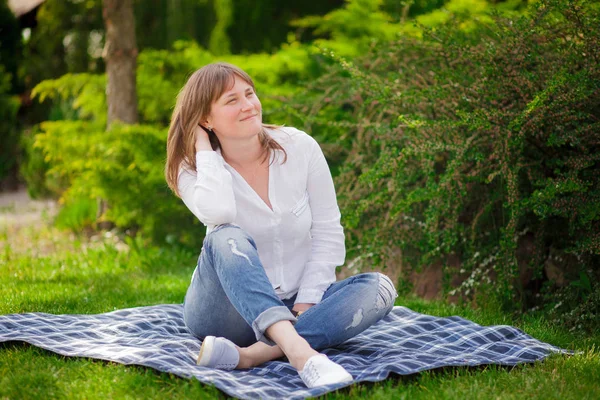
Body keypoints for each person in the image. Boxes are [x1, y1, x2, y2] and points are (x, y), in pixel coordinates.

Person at [165, 62, 397, 388]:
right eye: (232, 100)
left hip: (296, 305)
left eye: (249, 93)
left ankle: (253, 355)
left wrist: (306, 303)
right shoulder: (190, 168)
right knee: (225, 235)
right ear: (205, 119)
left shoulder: (299, 147)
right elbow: (218, 212)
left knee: (380, 289)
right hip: (225, 314)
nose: (248, 105)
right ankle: (302, 355)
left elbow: (328, 231)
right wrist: (205, 148)